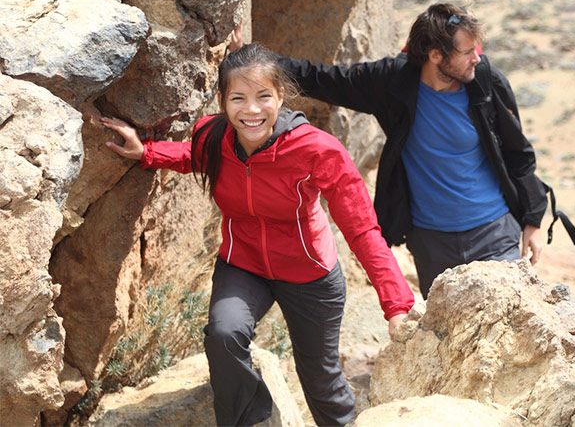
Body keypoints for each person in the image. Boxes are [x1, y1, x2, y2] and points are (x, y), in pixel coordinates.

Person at [102, 44, 414, 427]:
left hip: (310, 274)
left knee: (320, 379)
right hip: (243, 265)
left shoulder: (316, 150)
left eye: (263, 96)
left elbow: (362, 230)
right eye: (238, 98)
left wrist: (396, 304)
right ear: (222, 100)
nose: (251, 110)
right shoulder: (213, 137)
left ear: (280, 96)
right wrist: (146, 151)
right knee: (223, 334)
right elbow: (191, 155)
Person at [232, 3, 575, 300]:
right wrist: (249, 58)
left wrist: (533, 220)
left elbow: (519, 153)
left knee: (507, 326)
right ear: (436, 56)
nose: (478, 57)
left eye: (478, 49)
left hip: (494, 233)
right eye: (467, 51)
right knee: (451, 337)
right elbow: (323, 79)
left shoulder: (486, 81)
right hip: (430, 242)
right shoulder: (393, 82)